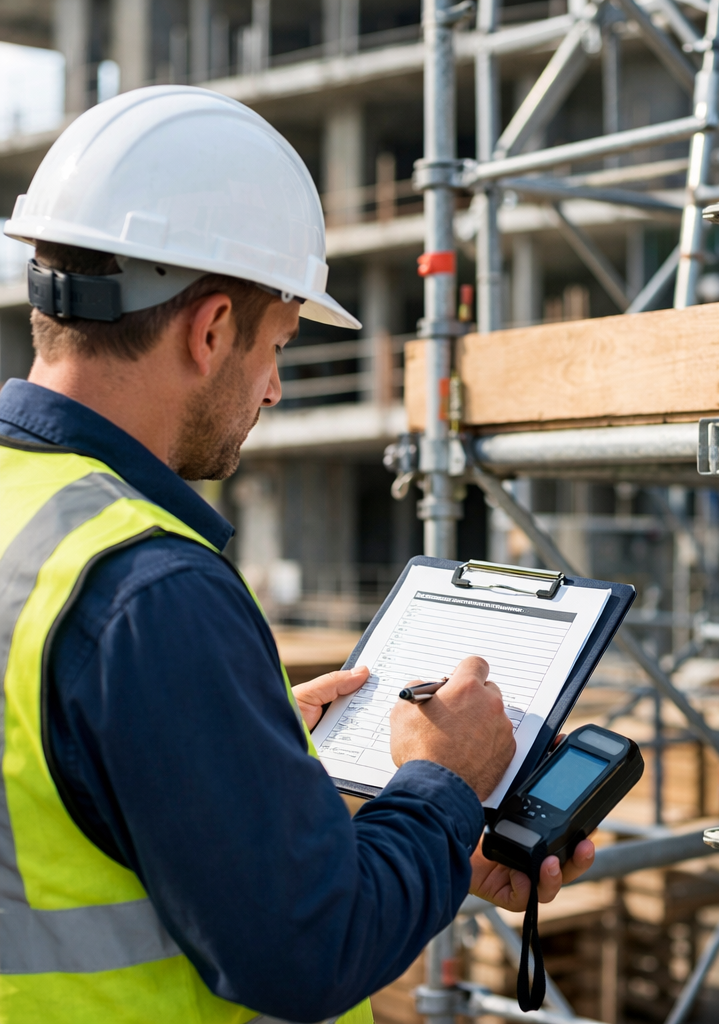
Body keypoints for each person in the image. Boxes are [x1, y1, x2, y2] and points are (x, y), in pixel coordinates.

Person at [0, 86, 594, 1024]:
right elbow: (308, 949)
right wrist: (442, 788)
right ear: (210, 330)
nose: (274, 388)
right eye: (277, 344)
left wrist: (263, 759)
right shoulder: (147, 590)